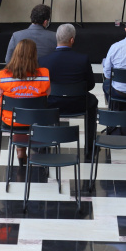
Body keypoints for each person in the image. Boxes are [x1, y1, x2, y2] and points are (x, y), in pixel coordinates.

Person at [38, 24, 99, 161]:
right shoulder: (82, 59)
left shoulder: (44, 61)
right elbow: (90, 85)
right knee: (93, 101)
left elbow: (41, 86)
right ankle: (90, 145)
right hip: (78, 104)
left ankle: (43, 144)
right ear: (72, 40)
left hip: (52, 104)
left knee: (40, 100)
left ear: (56, 38)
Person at [0, 39, 50, 163]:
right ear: (34, 55)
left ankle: (20, 149)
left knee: (17, 114)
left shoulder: (3, 75)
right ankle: (32, 150)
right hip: (38, 120)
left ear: (15, 53)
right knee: (27, 113)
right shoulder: (44, 74)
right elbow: (46, 98)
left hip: (10, 121)